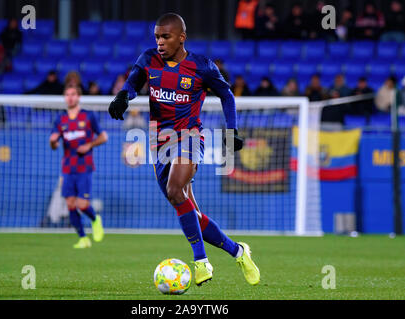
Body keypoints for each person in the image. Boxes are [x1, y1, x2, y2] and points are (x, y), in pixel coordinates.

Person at [108, 13, 259, 287]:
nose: (160, 42)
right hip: (160, 143)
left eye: (165, 37)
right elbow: (132, 82)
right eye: (157, 37)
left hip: (190, 137)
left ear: (181, 37)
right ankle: (239, 252)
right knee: (189, 210)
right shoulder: (149, 59)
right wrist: (123, 96)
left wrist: (231, 129)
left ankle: (201, 262)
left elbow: (227, 95)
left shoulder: (201, 66)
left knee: (175, 190)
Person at [50, 84, 108, 249]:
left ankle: (95, 219)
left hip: (85, 167)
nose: (70, 97)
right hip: (67, 168)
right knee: (70, 204)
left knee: (82, 205)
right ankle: (83, 238)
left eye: (73, 94)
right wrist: (52, 141)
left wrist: (89, 145)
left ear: (79, 97)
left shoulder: (88, 116)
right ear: (64, 97)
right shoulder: (60, 119)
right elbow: (54, 144)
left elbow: (104, 137)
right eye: (67, 94)